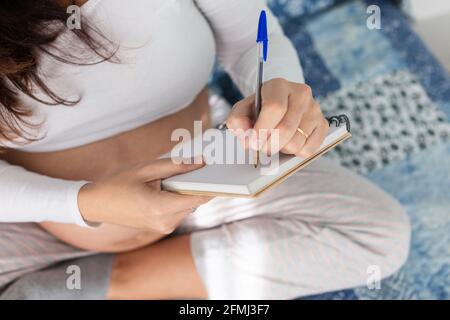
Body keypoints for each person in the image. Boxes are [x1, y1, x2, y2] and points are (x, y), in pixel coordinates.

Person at [0, 0, 410, 299]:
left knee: (378, 236)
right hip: (37, 216)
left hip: (210, 170)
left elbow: (253, 39)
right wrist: (83, 203)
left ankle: (104, 285)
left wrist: (278, 86)